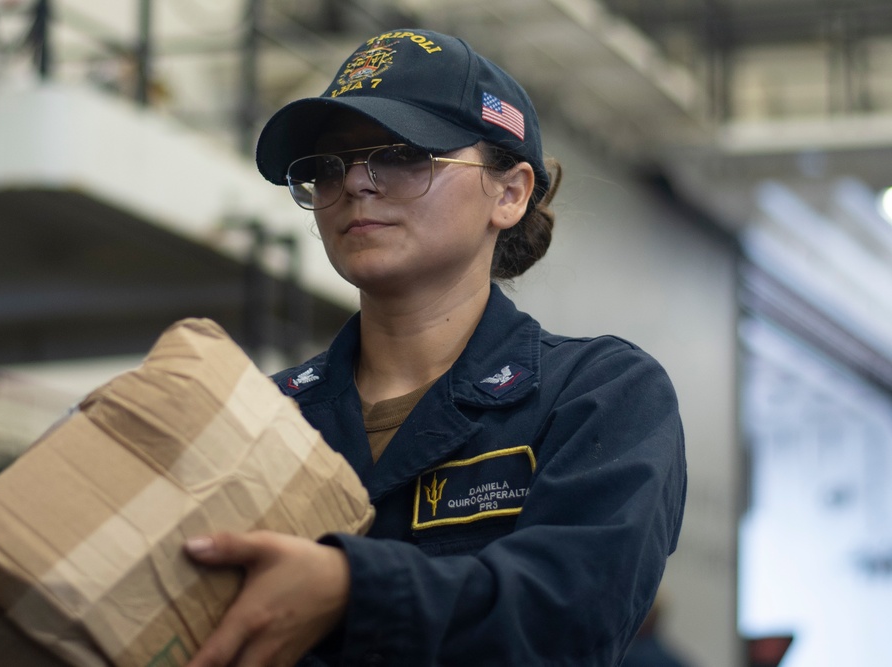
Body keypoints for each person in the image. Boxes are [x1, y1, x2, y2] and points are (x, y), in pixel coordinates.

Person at [183, 28, 687, 667]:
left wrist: (352, 591)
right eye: (328, 166)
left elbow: (568, 616)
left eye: (401, 154)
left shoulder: (598, 394)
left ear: (509, 192)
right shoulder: (258, 414)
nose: (356, 184)